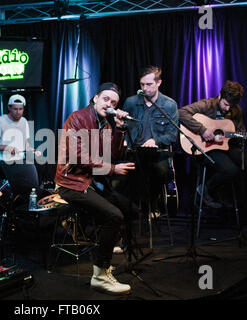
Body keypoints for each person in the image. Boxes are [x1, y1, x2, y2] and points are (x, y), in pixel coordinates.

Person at [54, 82, 136, 295]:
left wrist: (119, 127)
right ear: (95, 98)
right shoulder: (78, 118)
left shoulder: (106, 125)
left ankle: (104, 254)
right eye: (106, 99)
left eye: (114, 102)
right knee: (113, 215)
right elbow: (77, 155)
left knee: (128, 207)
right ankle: (100, 275)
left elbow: (113, 155)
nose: (109, 104)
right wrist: (112, 169)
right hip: (70, 183)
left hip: (89, 180)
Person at [178, 80, 247, 208]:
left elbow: (241, 132)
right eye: (226, 104)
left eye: (231, 106)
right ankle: (205, 189)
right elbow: (181, 113)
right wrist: (202, 130)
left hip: (224, 147)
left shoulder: (236, 110)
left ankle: (237, 201)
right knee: (231, 170)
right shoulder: (207, 105)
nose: (228, 108)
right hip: (204, 149)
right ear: (220, 96)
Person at [122, 66, 179, 211]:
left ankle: (149, 207)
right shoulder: (131, 102)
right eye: (142, 84)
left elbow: (173, 135)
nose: (145, 88)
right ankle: (132, 212)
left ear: (159, 82)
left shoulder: (169, 105)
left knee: (160, 172)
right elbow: (123, 128)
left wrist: (155, 141)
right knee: (122, 177)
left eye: (149, 84)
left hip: (157, 153)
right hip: (133, 152)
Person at [0, 94, 41, 198]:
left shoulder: (24, 122)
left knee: (44, 165)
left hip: (19, 161)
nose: (18, 112)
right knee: (27, 168)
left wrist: (33, 150)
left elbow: (26, 144)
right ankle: (24, 200)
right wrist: (7, 148)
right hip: (1, 163)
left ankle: (39, 196)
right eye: (15, 109)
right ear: (9, 107)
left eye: (21, 109)